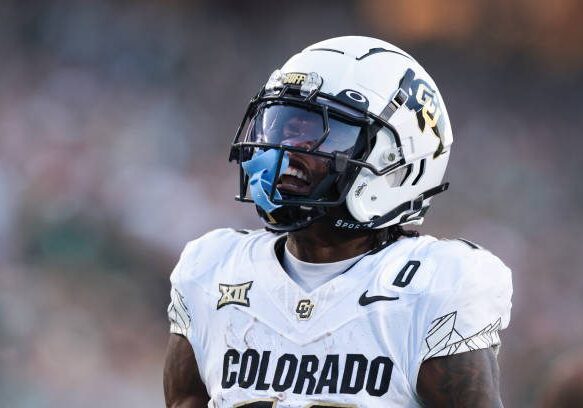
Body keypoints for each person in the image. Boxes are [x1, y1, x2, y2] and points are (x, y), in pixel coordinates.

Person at [163, 36, 513, 407]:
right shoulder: (213, 270)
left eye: (316, 133)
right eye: (283, 127)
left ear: (397, 162)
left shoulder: (433, 288)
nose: (286, 149)